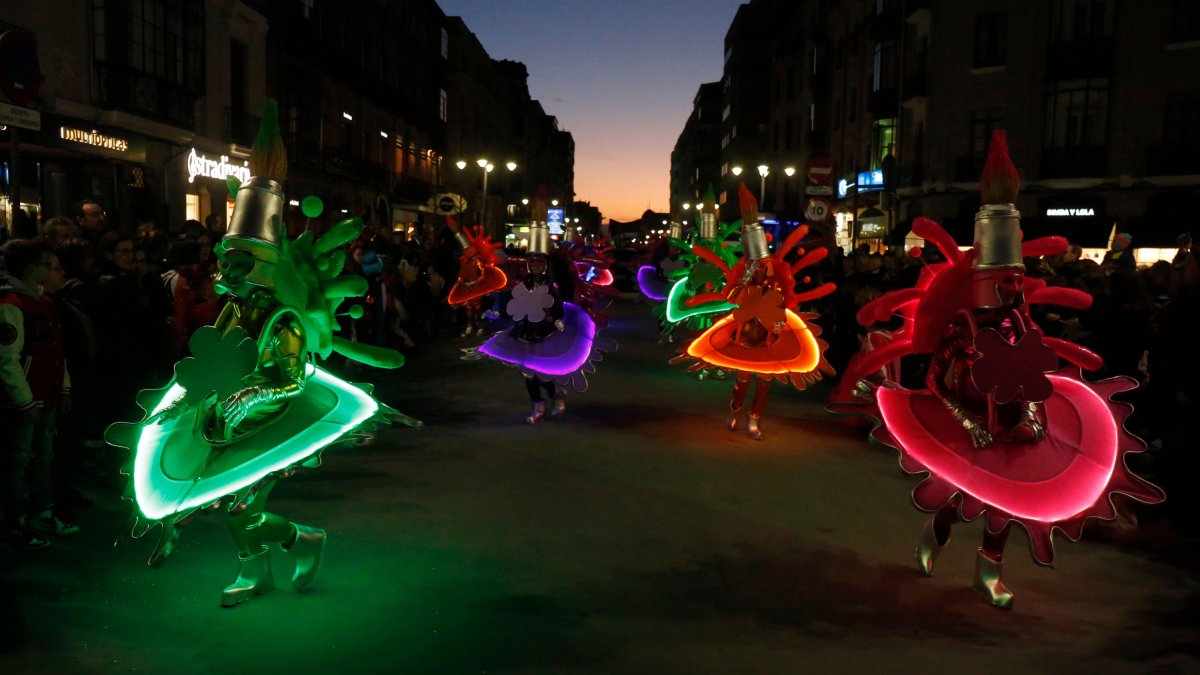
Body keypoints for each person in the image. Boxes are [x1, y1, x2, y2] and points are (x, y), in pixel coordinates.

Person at [1, 239, 79, 550]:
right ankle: (16, 521)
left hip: (45, 395)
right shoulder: (11, 305)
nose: (54, 270)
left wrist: (64, 385)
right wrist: (22, 399)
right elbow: (7, 359)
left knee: (42, 458)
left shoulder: (44, 303)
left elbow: (56, 351)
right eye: (49, 264)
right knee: (18, 460)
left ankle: (41, 513)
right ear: (33, 268)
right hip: (25, 401)